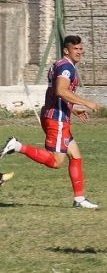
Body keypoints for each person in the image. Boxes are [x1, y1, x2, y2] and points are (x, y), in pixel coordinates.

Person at [0, 35, 100, 209]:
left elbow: (55, 93)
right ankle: (17, 146)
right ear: (66, 50)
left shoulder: (59, 64)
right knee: (56, 161)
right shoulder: (67, 67)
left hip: (55, 113)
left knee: (75, 155)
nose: (79, 52)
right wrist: (85, 102)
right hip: (57, 118)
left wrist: (73, 109)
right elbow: (61, 90)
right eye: (75, 49)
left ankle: (79, 199)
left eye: (80, 48)